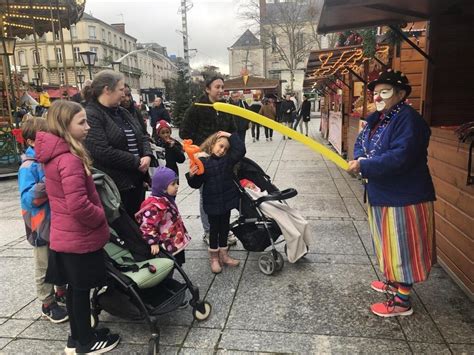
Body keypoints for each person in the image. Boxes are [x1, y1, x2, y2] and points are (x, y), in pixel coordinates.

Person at [347, 69, 436, 317]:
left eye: (384, 92)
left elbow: (401, 156)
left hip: (404, 196)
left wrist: (365, 165)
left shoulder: (408, 119)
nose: (378, 97)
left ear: (400, 94)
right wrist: (360, 158)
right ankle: (394, 281)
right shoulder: (378, 118)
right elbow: (360, 141)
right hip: (380, 192)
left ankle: (402, 300)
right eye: (375, 93)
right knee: (387, 243)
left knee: (403, 245)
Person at [35, 100, 120, 353]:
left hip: (65, 235)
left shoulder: (55, 156)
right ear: (64, 126)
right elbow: (79, 205)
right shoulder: (69, 160)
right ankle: (86, 342)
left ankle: (78, 336)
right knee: (81, 290)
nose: (88, 126)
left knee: (74, 291)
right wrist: (101, 217)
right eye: (81, 122)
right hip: (79, 237)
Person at [18, 117, 68, 324]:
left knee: (60, 260)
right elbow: (28, 199)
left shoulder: (49, 161)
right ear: (31, 141)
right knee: (44, 265)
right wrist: (49, 181)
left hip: (57, 222)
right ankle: (47, 303)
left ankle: (60, 291)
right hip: (40, 226)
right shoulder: (28, 167)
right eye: (44, 136)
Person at [84, 70, 154, 219]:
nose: (124, 94)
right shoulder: (92, 114)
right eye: (121, 90)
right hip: (115, 186)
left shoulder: (123, 112)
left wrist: (147, 155)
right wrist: (136, 161)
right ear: (107, 90)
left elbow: (142, 136)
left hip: (136, 181)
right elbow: (102, 151)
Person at [179, 76, 238, 246]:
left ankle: (224, 232)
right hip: (205, 161)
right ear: (207, 89)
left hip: (224, 160)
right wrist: (200, 150)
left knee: (224, 193)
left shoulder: (225, 107)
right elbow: (184, 132)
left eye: (222, 87)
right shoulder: (197, 108)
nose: (221, 90)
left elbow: (233, 131)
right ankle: (208, 231)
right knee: (206, 195)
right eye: (217, 87)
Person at [186, 131, 246, 273]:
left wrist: (228, 135)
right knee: (214, 230)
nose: (222, 150)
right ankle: (214, 258)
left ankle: (224, 255)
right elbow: (195, 184)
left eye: (225, 149)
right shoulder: (203, 162)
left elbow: (241, 150)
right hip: (212, 203)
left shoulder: (228, 160)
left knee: (225, 228)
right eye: (220, 146)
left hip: (225, 201)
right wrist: (192, 175)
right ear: (213, 145)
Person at [135, 167, 191, 266]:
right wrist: (153, 242)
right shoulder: (154, 207)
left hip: (174, 239)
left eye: (177, 183)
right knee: (170, 264)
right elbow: (147, 226)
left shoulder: (166, 199)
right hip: (167, 243)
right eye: (173, 184)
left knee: (178, 263)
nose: (177, 186)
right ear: (163, 187)